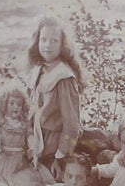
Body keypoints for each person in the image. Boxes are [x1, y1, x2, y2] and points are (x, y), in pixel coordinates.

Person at [23, 16, 84, 176]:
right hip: (34, 140)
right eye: (43, 40)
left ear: (62, 44)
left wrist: (60, 157)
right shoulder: (39, 70)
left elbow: (71, 125)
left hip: (53, 149)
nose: (47, 45)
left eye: (54, 41)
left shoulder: (64, 78)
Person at [0, 79, 33, 183]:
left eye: (19, 104)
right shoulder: (1, 121)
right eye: (11, 103)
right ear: (4, 104)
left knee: (21, 181)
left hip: (19, 161)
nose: (15, 107)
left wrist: (32, 148)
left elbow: (30, 136)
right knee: (2, 181)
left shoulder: (24, 124)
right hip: (2, 159)